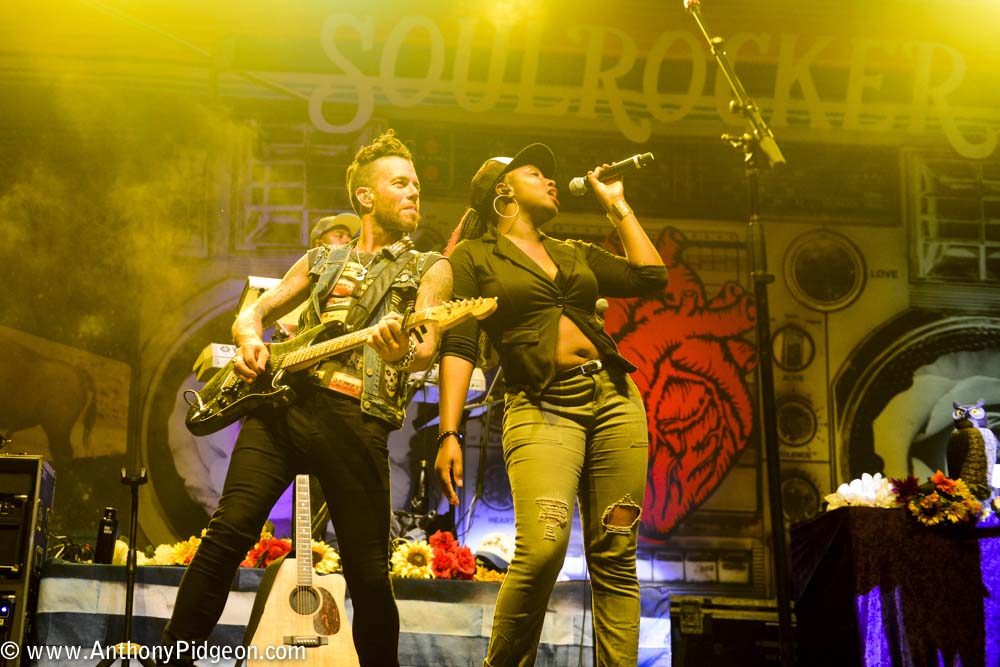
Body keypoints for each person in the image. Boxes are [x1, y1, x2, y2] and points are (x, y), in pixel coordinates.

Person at [162, 129, 452, 667]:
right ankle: (174, 658)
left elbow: (425, 348)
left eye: (416, 185)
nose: (414, 192)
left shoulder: (430, 267)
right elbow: (253, 313)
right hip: (282, 409)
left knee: (367, 572)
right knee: (226, 535)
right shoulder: (321, 259)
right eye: (400, 183)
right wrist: (250, 340)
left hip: (357, 423)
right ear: (365, 197)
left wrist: (399, 356)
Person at [434, 143, 667, 666]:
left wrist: (616, 204)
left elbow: (651, 277)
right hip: (543, 406)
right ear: (504, 190)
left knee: (616, 552)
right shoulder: (473, 258)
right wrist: (448, 433)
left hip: (614, 401)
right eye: (536, 172)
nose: (553, 180)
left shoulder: (573, 252)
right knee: (541, 549)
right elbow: (460, 346)